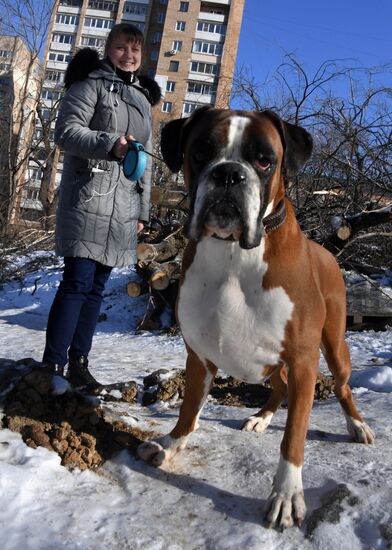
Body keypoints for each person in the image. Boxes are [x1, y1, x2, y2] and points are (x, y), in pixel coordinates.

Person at [42, 23, 161, 389]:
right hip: (87, 195)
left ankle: (79, 363)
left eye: (135, 51)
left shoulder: (143, 100)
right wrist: (111, 144)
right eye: (122, 48)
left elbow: (147, 160)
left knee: (96, 286)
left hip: (122, 206)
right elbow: (66, 131)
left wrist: (142, 211)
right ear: (109, 49)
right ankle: (53, 367)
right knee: (77, 281)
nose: (129, 55)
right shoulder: (89, 83)